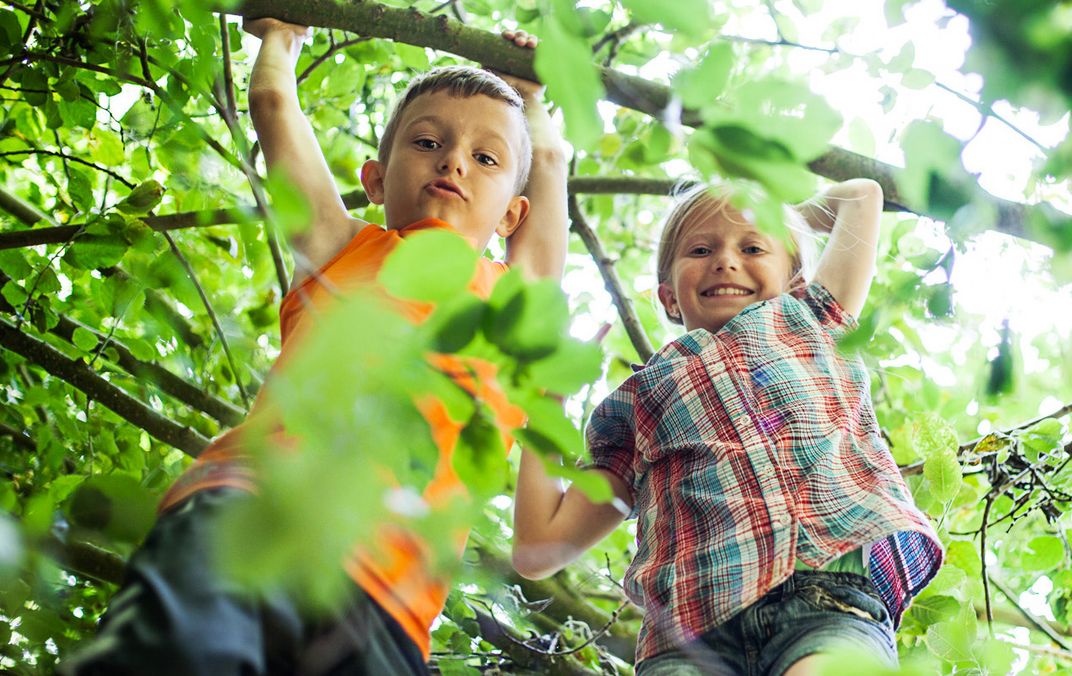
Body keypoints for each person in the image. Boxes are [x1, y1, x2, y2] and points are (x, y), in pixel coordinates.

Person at [58, 18, 567, 676]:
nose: (454, 161)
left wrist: (535, 98)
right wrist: (280, 30)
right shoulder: (341, 246)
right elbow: (273, 105)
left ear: (511, 216)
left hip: (388, 595)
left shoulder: (515, 303)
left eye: (487, 158)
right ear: (376, 181)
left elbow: (549, 162)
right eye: (428, 141)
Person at [512, 181, 943, 675]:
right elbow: (537, 549)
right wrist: (546, 404)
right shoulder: (635, 403)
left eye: (752, 247)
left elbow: (862, 196)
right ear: (669, 297)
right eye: (701, 249)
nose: (725, 260)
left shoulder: (812, 320)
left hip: (826, 599)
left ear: (795, 277)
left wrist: (780, 219)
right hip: (687, 638)